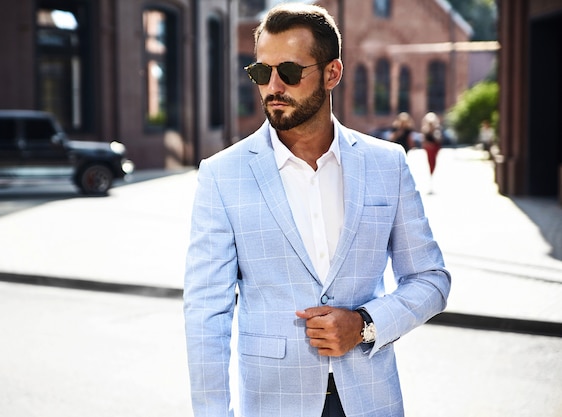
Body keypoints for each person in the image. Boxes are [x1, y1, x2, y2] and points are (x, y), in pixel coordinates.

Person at [184, 4, 451, 416]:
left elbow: (431, 280)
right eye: (261, 72)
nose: (272, 86)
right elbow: (206, 312)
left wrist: (364, 324)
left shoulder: (386, 165)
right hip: (273, 403)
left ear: (332, 73)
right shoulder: (222, 176)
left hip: (371, 400)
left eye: (289, 72)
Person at [421, 111, 443, 179]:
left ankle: (432, 174)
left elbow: (439, 140)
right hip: (429, 149)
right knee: (430, 161)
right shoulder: (425, 130)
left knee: (434, 161)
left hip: (435, 148)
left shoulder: (437, 130)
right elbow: (424, 141)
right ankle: (431, 174)